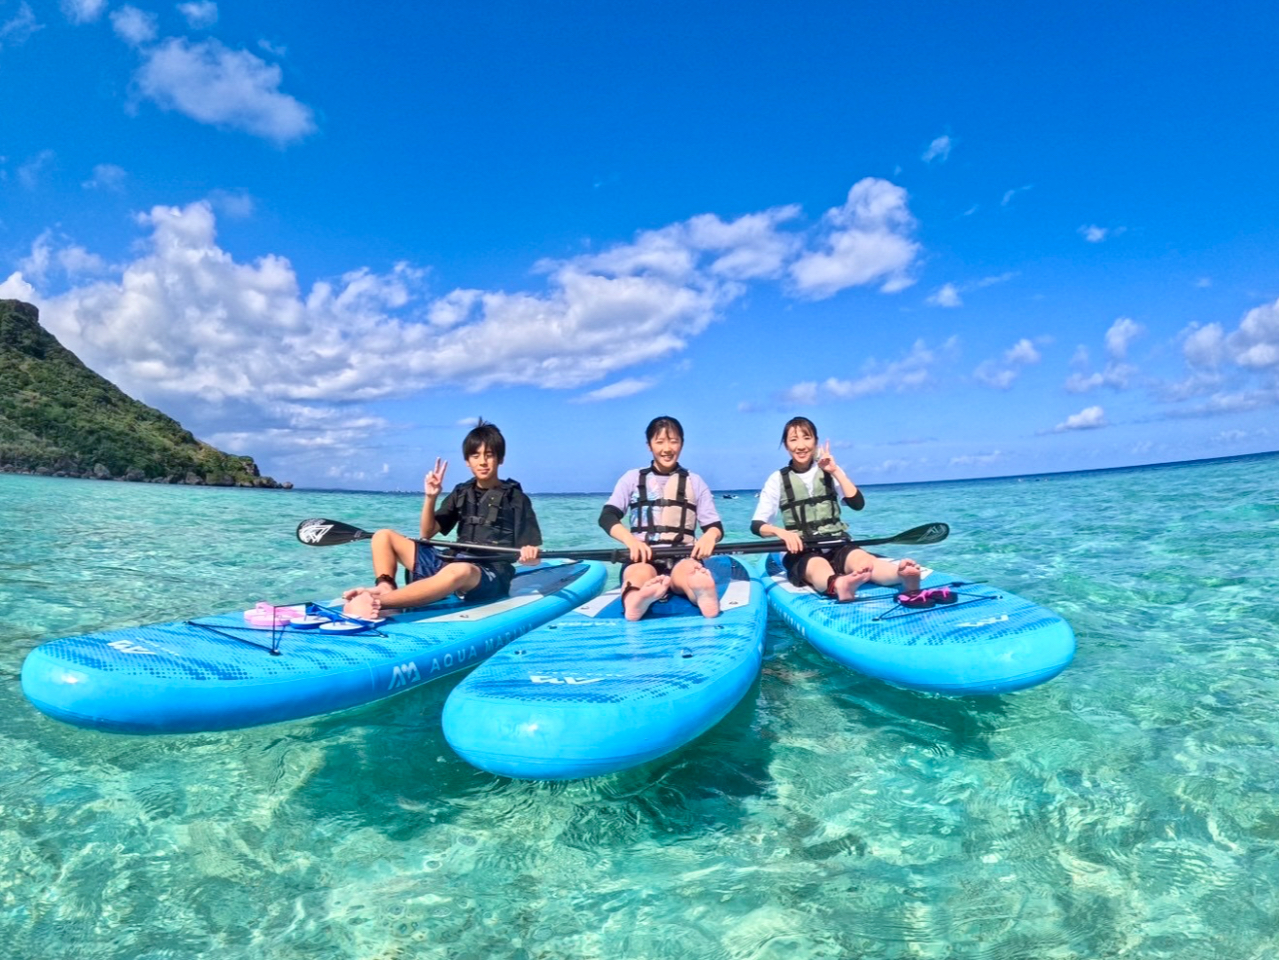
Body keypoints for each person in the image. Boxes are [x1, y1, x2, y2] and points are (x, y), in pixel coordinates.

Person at [342, 421, 541, 619]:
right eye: (475, 455)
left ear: (500, 459)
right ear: (467, 461)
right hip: (453, 560)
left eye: (489, 455)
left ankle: (380, 603)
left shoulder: (516, 499)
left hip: (489, 574)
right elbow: (427, 533)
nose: (482, 461)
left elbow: (534, 556)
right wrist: (431, 497)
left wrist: (530, 556)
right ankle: (385, 587)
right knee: (383, 536)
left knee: (458, 570)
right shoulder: (462, 492)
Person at [751, 416, 922, 601]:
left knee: (864, 561)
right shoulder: (776, 479)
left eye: (807, 438)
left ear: (816, 442)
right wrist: (782, 533)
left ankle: (901, 575)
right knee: (817, 567)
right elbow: (757, 525)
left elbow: (857, 504)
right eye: (793, 440)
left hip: (836, 542)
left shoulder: (830, 470)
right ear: (786, 445)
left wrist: (835, 471)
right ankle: (840, 584)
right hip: (802, 550)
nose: (801, 446)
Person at [599, 416, 724, 620]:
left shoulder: (695, 482)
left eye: (673, 441)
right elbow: (607, 517)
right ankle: (635, 601)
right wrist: (631, 541)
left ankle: (702, 593)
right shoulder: (632, 478)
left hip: (682, 555)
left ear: (682, 444)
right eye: (660, 442)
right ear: (649, 446)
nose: (667, 449)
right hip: (643, 557)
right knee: (637, 574)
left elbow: (714, 526)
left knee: (689, 572)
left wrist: (710, 537)